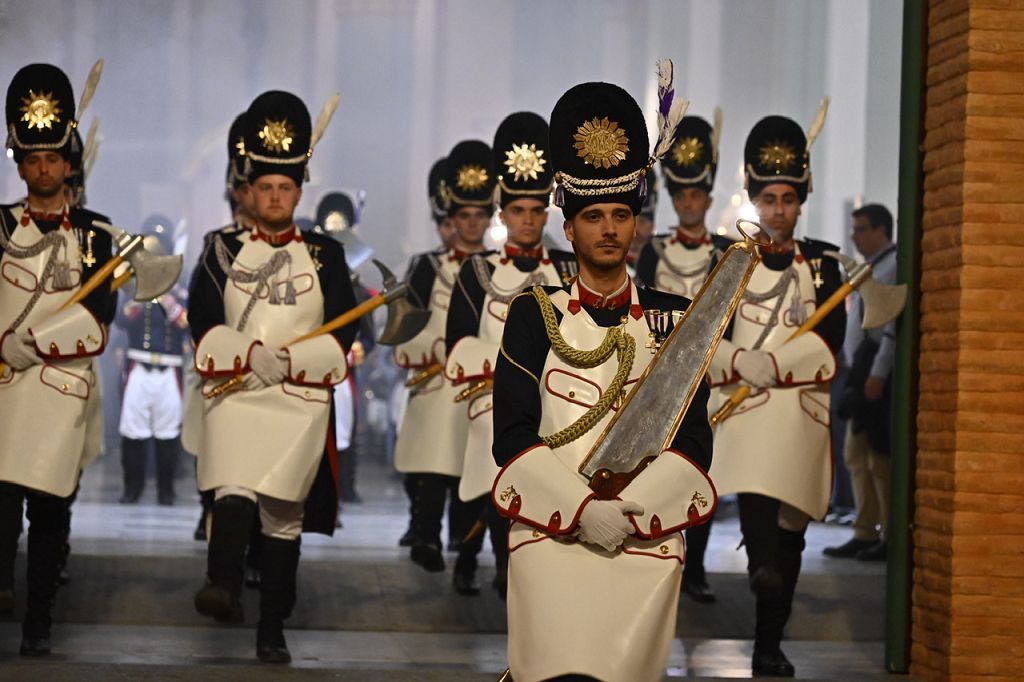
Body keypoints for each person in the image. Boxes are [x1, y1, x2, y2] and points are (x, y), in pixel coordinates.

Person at [491, 76, 716, 682]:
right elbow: (512, 437)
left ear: (636, 223)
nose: (609, 228)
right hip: (552, 534)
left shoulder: (677, 317)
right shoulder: (532, 315)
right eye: (594, 216)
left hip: (644, 541)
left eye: (621, 214)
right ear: (571, 228)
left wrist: (633, 517)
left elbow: (693, 441)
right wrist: (582, 509)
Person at [188, 90, 356, 663]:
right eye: (266, 188)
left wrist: (288, 362)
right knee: (233, 484)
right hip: (238, 389)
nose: (276, 197)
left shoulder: (327, 255)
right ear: (248, 192)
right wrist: (248, 354)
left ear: (299, 192)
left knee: (283, 515)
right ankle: (224, 586)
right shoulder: (219, 248)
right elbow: (205, 320)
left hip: (298, 399)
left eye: (286, 188)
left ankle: (272, 628)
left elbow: (342, 333)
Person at [706, 108, 845, 677]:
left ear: (801, 198)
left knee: (793, 532)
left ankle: (769, 644)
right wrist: (741, 360)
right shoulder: (729, 260)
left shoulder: (825, 264)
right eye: (769, 200)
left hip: (802, 414)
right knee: (758, 503)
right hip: (745, 410)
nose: (779, 210)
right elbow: (704, 341)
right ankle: (760, 566)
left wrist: (774, 364)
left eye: (788, 198)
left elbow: (831, 346)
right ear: (754, 200)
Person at [0, 63, 115, 655]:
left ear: (69, 161)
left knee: (49, 518)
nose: (42, 169)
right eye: (31, 159)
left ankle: (39, 623)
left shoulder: (98, 235)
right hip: (1, 388)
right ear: (19, 164)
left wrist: (34, 343)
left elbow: (99, 320)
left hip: (61, 391)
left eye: (51, 158)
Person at [444, 112, 576, 598]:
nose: (526, 219)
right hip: (489, 405)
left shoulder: (567, 269)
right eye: (517, 210)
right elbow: (458, 346)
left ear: (547, 215)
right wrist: (512, 367)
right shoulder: (476, 271)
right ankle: (481, 560)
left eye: (535, 211)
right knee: (490, 478)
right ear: (502, 214)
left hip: (553, 403)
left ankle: (519, 570)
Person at [392, 141, 494, 573]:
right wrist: (429, 349)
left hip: (480, 385)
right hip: (434, 384)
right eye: (463, 217)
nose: (471, 225)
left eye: (479, 216)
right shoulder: (426, 267)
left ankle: (468, 557)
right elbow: (403, 331)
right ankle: (426, 536)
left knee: (475, 476)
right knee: (433, 469)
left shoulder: (500, 268)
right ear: (451, 221)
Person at [636, 112, 725, 603]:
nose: (689, 203)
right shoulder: (654, 251)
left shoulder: (725, 252)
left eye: (696, 196)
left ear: (709, 200)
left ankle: (698, 568)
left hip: (712, 374)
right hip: (661, 376)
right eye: (682, 196)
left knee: (704, 469)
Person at [186, 111, 255, 542]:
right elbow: (202, 308)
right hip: (224, 365)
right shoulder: (218, 244)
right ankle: (209, 511)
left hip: (268, 368)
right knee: (214, 450)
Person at [824, 203, 897, 562]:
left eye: (861, 228)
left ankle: (886, 533)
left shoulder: (893, 265)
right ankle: (864, 530)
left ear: (882, 229)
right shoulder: (873, 267)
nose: (855, 236)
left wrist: (878, 373)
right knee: (856, 454)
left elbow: (892, 329)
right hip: (860, 372)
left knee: (878, 460)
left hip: (874, 375)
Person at [115, 215, 189, 505]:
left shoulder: (179, 284)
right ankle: (131, 488)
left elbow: (187, 323)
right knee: (133, 432)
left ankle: (166, 491)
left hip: (169, 369)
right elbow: (121, 320)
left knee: (167, 434)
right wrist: (143, 294)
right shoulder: (131, 284)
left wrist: (167, 295)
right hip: (138, 365)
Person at [315, 190, 376, 507]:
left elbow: (368, 336)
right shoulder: (312, 282)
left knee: (347, 431)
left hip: (346, 371)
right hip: (313, 368)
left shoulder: (360, 291)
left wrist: (359, 350)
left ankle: (346, 485)